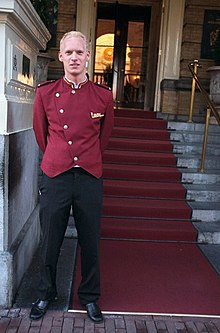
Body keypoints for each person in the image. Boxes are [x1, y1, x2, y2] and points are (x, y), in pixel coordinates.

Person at [29, 31, 114, 323]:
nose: (75, 57)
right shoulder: (45, 93)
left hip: (89, 175)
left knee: (90, 241)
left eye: (80, 52)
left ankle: (90, 297)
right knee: (50, 239)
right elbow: (42, 136)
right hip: (56, 175)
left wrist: (85, 160)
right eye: (69, 53)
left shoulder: (103, 96)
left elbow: (104, 138)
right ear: (61, 56)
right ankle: (45, 293)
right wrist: (59, 159)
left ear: (88, 56)